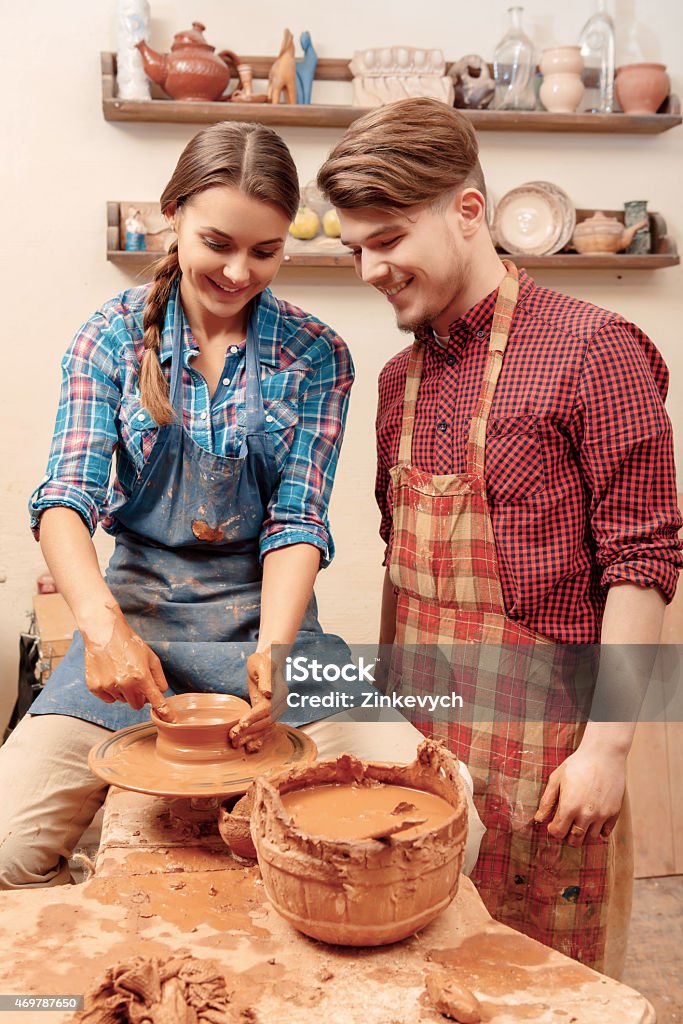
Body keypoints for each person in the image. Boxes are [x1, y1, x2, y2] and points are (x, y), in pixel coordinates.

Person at [1, 120, 472, 891]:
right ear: (173, 214)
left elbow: (296, 521)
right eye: (217, 241)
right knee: (7, 848)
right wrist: (103, 631)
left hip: (270, 628)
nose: (236, 270)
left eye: (264, 251)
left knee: (443, 823)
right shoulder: (111, 338)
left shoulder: (316, 353)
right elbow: (63, 500)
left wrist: (279, 654)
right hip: (135, 628)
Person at [317, 96, 682, 976]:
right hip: (420, 738)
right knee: (414, 968)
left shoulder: (595, 348)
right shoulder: (397, 380)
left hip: (549, 753)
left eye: (389, 239)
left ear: (468, 211)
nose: (369, 268)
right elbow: (400, 567)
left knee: (534, 980)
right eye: (354, 247)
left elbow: (642, 563)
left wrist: (606, 750)